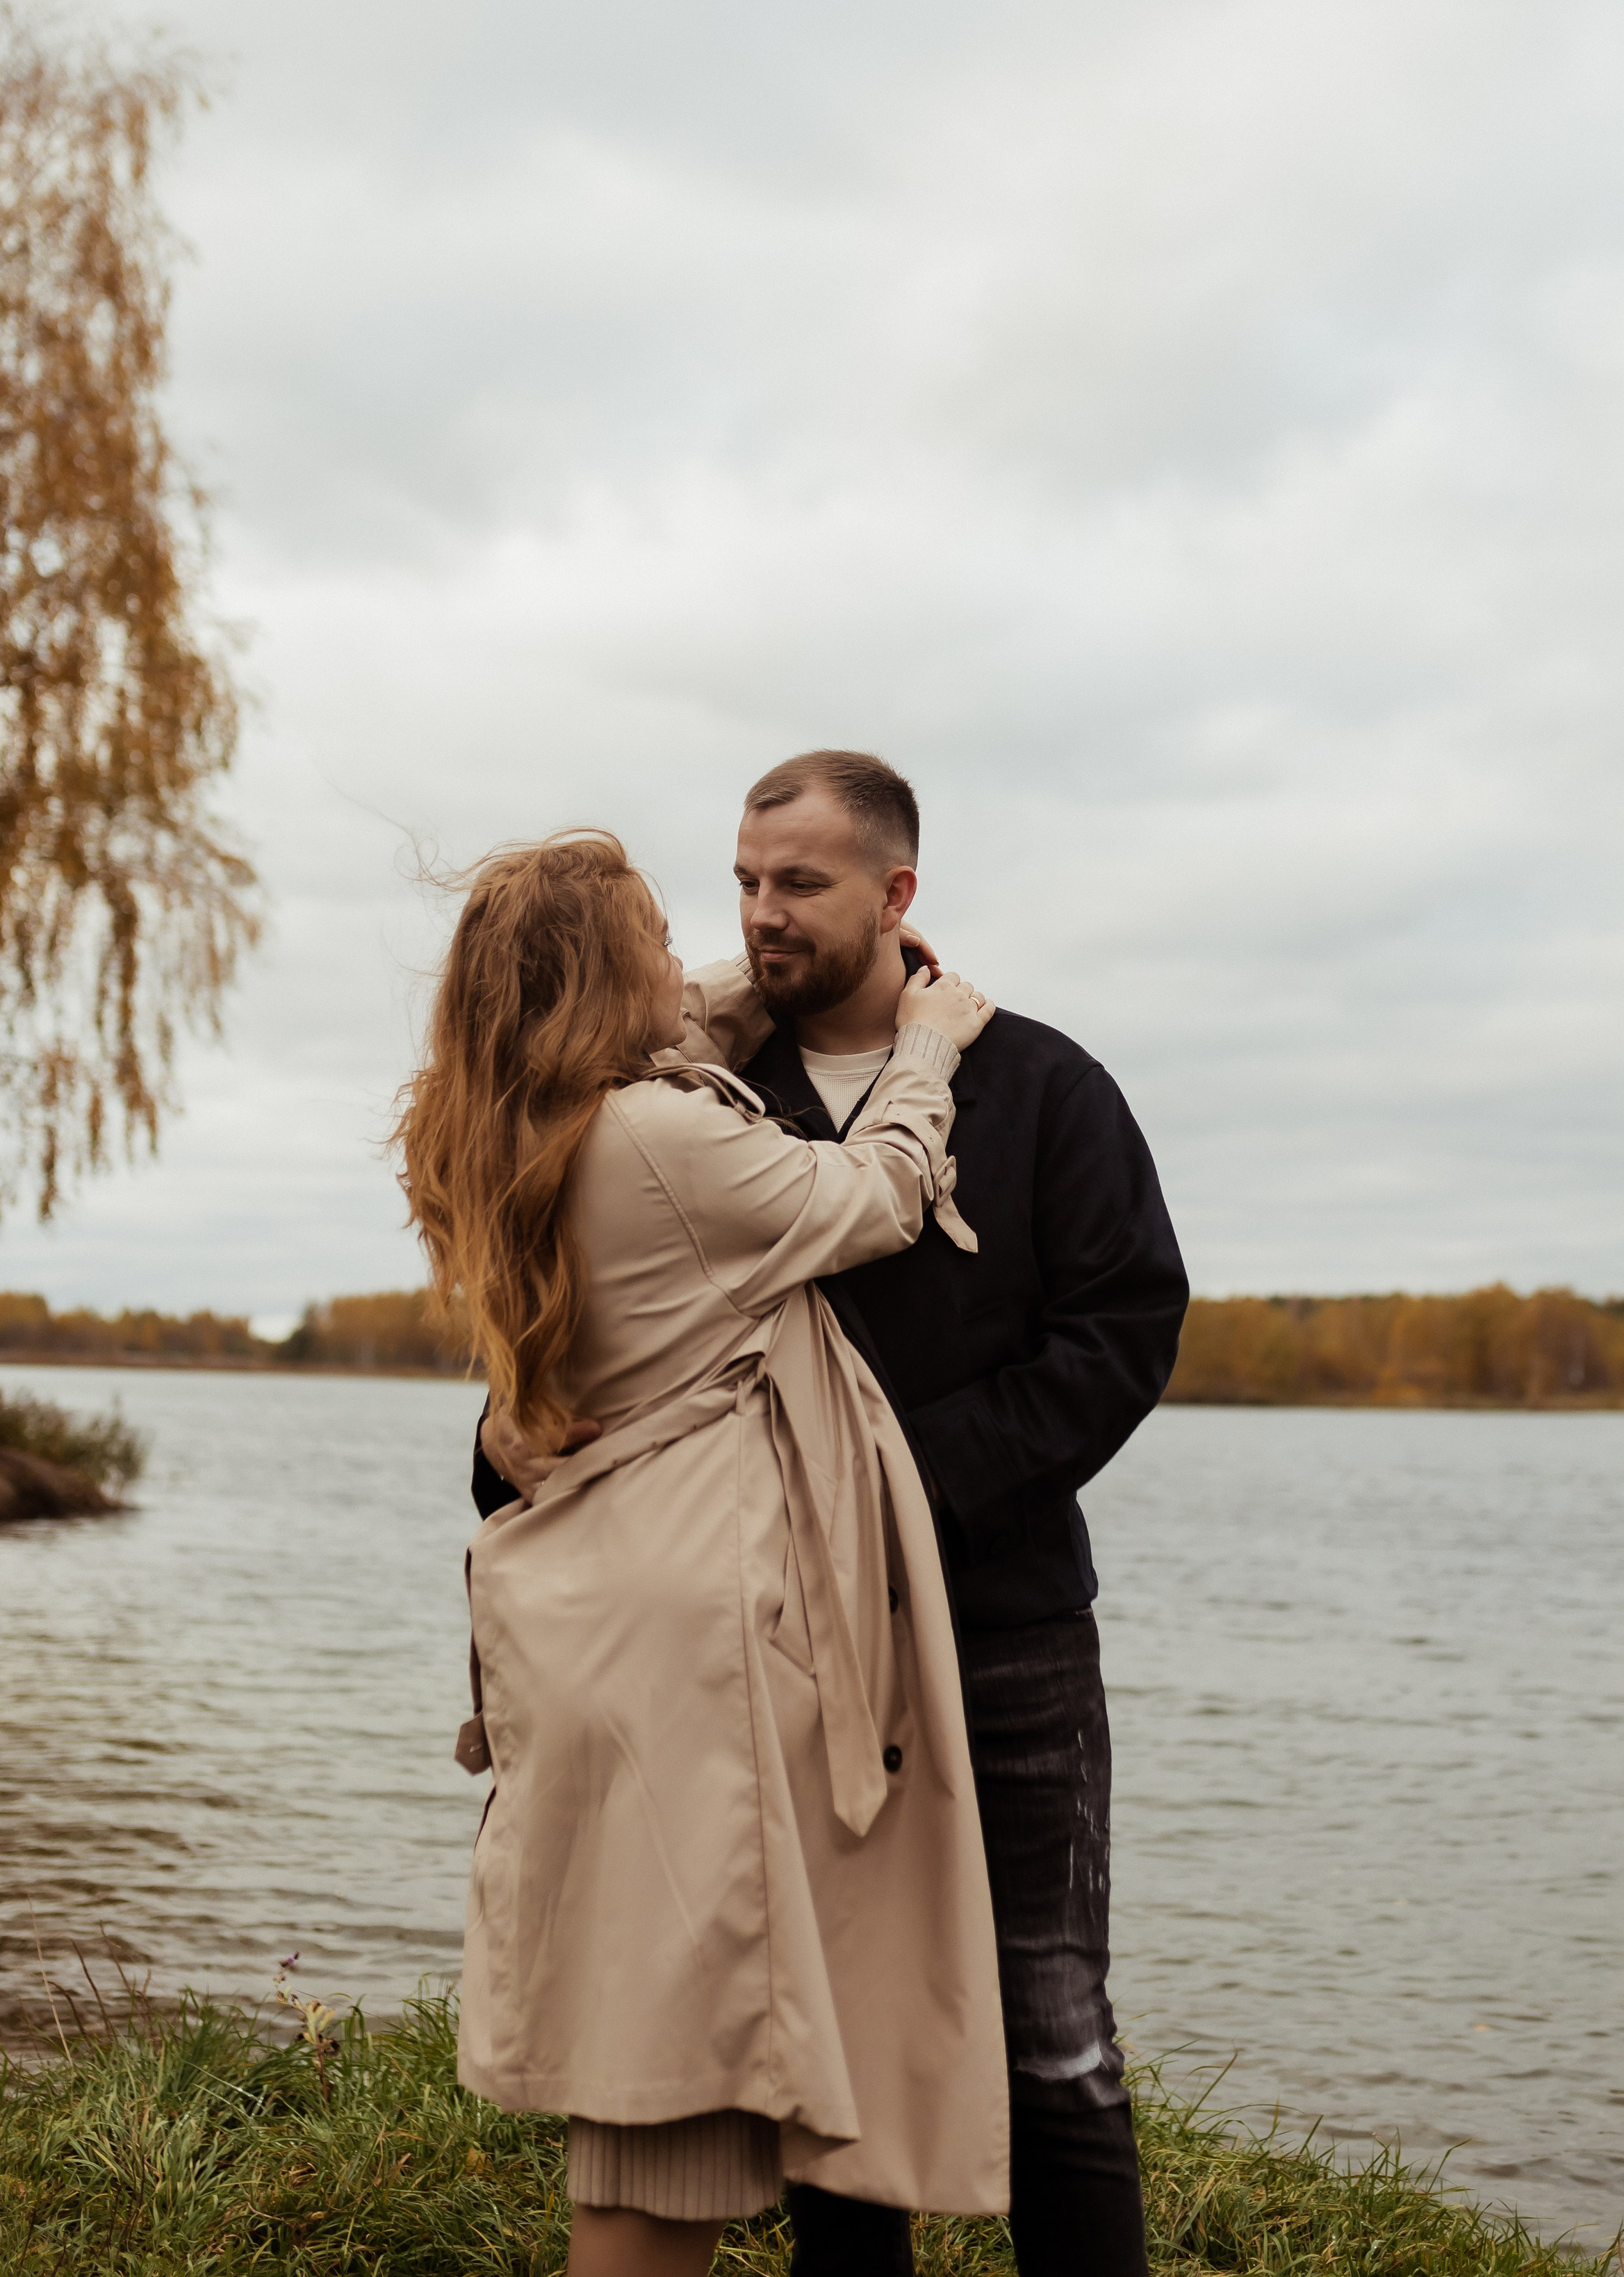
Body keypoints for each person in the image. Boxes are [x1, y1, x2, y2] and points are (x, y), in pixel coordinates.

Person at [479, 757, 1190, 2277]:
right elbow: (580, 1325)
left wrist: (887, 1494)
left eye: (796, 883)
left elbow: (1119, 1335)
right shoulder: (692, 1090)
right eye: (741, 880)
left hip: (998, 1631)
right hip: (783, 1653)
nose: (759, 913)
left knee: (1055, 2037)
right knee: (840, 2051)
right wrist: (504, 1442)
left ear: (894, 894)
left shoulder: (1041, 1086)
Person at [403, 831, 1008, 2277]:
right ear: (610, 980)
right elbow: (876, 1198)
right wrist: (922, 1040)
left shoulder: (493, 1121)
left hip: (586, 1612)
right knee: (659, 2106)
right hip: (683, 1632)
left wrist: (771, 981)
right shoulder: (664, 1142)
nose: (696, 963)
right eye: (663, 940)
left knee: (636, 2056)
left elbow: (678, 1027)